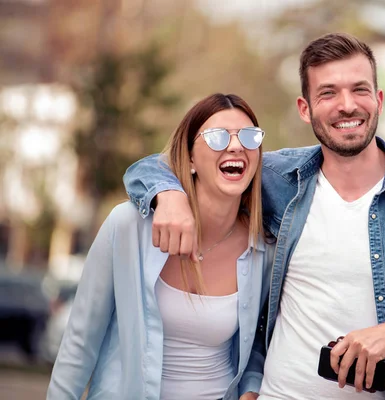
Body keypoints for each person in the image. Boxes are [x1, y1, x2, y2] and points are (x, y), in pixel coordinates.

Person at [123, 33, 385, 400]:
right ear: (305, 108)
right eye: (328, 92)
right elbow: (155, 165)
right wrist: (169, 194)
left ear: (378, 100)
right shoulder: (274, 180)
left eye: (359, 90)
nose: (347, 105)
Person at [47, 93, 273, 400]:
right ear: (190, 158)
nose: (236, 146)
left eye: (249, 137)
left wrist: (251, 387)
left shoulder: (264, 249)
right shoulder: (127, 226)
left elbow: (258, 347)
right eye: (218, 137)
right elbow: (79, 343)